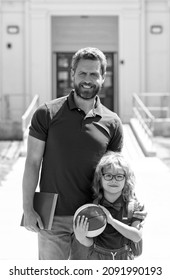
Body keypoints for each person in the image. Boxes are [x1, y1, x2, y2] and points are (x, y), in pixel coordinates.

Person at [22, 47, 144, 260]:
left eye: (94, 74)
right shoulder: (46, 113)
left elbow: (114, 171)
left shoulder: (112, 122)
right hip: (51, 215)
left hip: (93, 216)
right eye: (82, 73)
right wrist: (28, 209)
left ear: (103, 77)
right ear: (72, 74)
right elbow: (32, 163)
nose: (87, 79)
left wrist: (128, 211)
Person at [73, 151, 144, 260]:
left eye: (119, 176)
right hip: (97, 257)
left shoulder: (133, 206)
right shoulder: (92, 207)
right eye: (108, 175)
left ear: (126, 179)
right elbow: (90, 242)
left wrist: (111, 221)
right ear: (100, 178)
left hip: (124, 257)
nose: (113, 180)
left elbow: (137, 236)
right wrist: (81, 238)